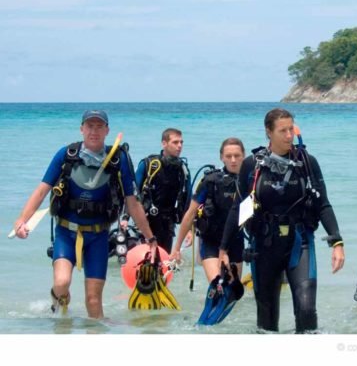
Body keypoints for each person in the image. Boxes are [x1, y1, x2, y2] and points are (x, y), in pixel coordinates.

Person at [12, 110, 158, 318]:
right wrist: (22, 220)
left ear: (107, 131)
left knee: (93, 300)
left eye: (99, 126)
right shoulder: (66, 155)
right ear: (82, 129)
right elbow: (43, 189)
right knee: (62, 283)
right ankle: (59, 307)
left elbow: (132, 204)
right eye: (90, 126)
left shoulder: (119, 160)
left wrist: (150, 238)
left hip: (98, 236)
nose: (94, 131)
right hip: (66, 233)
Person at [219, 108, 345, 333]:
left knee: (307, 312)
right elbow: (240, 210)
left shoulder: (307, 162)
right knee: (266, 318)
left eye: (291, 129)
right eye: (283, 131)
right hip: (264, 245)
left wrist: (337, 242)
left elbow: (322, 204)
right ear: (268, 132)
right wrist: (224, 248)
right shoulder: (252, 166)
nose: (289, 136)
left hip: (300, 242)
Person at [170, 137, 246, 282]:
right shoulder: (211, 181)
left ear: (244, 156)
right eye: (228, 156)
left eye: (237, 156)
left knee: (232, 291)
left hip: (235, 240)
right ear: (221, 158)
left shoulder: (249, 181)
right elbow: (190, 214)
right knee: (218, 285)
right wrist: (176, 248)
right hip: (211, 239)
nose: (233, 160)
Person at [123, 128, 191, 254]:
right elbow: (132, 193)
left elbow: (189, 201)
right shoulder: (149, 164)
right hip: (146, 222)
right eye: (175, 142)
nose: (179, 146)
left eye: (181, 142)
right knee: (144, 265)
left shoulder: (182, 169)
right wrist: (125, 218)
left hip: (168, 225)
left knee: (163, 266)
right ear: (164, 143)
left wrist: (190, 229)